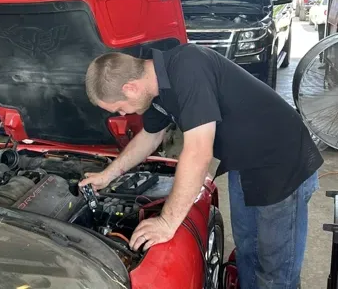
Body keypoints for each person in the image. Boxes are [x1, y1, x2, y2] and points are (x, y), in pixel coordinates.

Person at [79, 43, 323, 289]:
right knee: (248, 248)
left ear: (130, 88)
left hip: (282, 159)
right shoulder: (155, 89)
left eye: (119, 108)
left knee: (275, 269)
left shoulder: (188, 67)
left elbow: (198, 153)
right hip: (245, 161)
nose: (122, 114)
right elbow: (149, 136)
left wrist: (167, 222)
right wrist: (108, 174)